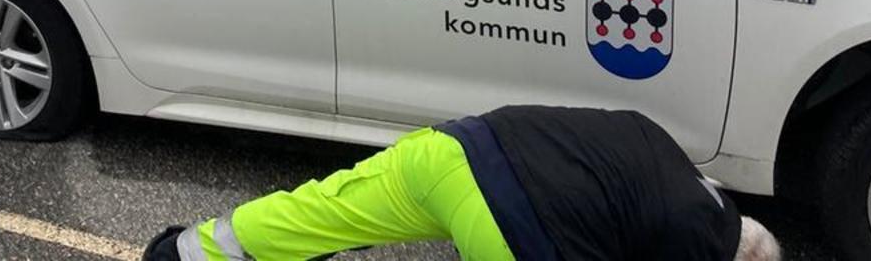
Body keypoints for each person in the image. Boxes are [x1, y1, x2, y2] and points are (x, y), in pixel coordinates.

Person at [144, 105, 779, 261]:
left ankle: (181, 253)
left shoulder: (668, 153)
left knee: (322, 211)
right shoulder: (701, 242)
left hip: (456, 150)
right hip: (513, 221)